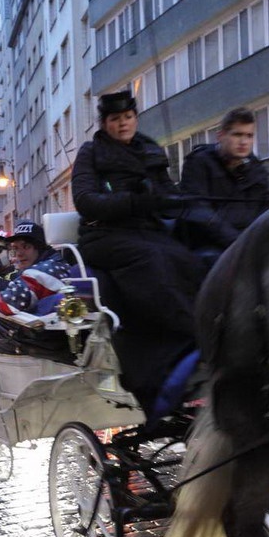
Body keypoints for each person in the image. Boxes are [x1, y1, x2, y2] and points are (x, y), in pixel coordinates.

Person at [71, 91, 206, 417]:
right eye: (116, 120)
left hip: (147, 232)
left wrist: (173, 198)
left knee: (188, 259)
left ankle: (203, 332)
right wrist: (133, 201)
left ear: (135, 117)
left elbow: (167, 191)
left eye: (128, 117)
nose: (123, 124)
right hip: (104, 235)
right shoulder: (91, 153)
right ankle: (187, 338)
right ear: (105, 123)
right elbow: (85, 201)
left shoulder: (149, 149)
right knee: (153, 261)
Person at [179, 106, 269, 249]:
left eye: (249, 136)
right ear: (221, 136)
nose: (244, 142)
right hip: (208, 247)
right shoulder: (199, 163)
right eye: (237, 134)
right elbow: (199, 211)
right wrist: (237, 242)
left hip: (247, 245)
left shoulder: (255, 169)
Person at [0, 220, 70, 316]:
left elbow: (6, 303)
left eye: (26, 247)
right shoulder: (58, 263)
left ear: (39, 247)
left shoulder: (39, 272)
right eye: (16, 248)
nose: (19, 254)